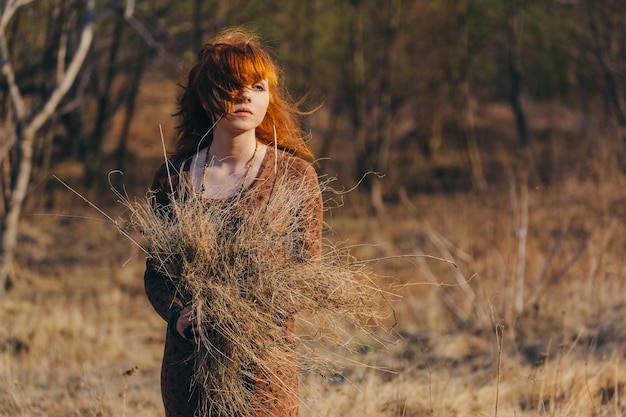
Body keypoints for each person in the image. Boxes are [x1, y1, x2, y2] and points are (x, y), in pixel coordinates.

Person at [143, 29, 323, 417]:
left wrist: (241, 313)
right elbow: (156, 275)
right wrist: (179, 317)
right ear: (205, 96)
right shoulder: (173, 178)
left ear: (268, 98)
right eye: (230, 84)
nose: (244, 95)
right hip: (187, 366)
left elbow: (306, 273)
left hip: (262, 365)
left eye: (257, 86)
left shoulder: (293, 177)